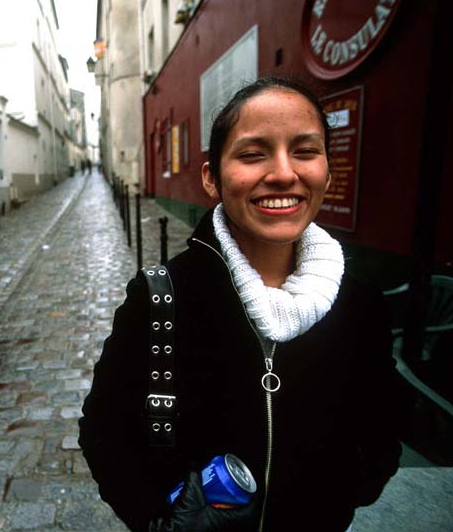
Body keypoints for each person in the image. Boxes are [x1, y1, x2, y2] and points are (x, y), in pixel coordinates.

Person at [78, 77, 402, 532]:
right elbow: (103, 431)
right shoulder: (160, 298)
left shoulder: (359, 299)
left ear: (327, 171)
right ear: (212, 177)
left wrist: (345, 493)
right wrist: (155, 518)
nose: (284, 173)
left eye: (306, 151)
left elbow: (383, 418)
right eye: (253, 154)